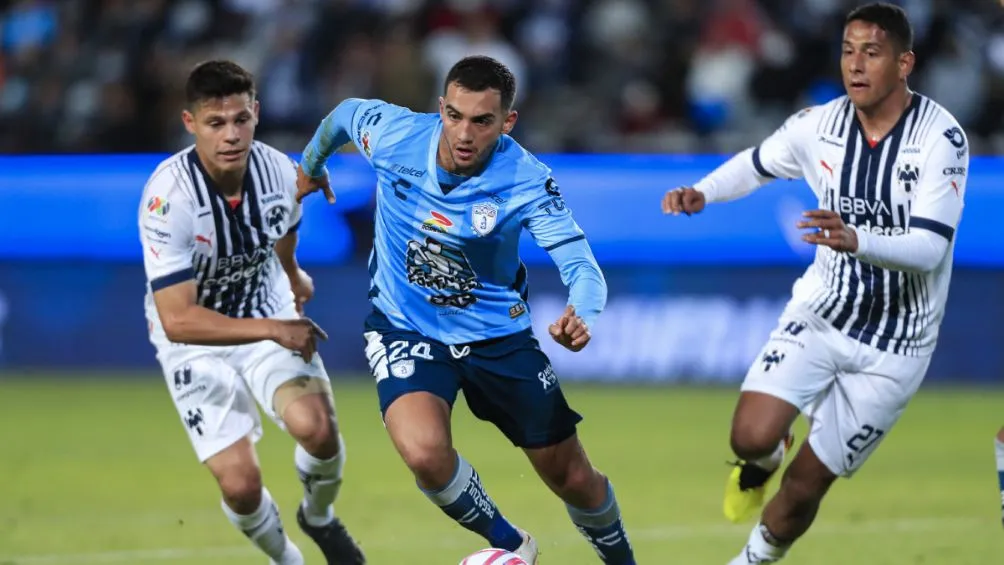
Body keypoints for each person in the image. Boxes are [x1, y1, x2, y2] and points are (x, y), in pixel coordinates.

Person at [294, 55, 637, 565]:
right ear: (441, 108)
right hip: (404, 326)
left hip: (498, 337)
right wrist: (310, 166)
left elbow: (581, 264)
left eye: (482, 121)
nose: (464, 133)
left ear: (507, 123)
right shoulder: (395, 136)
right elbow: (344, 113)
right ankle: (512, 545)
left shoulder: (525, 179)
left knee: (573, 478)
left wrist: (582, 312)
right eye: (454, 115)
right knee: (425, 455)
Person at [661, 3, 968, 563]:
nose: (856, 64)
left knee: (805, 486)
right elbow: (756, 163)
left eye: (871, 52)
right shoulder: (818, 125)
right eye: (848, 50)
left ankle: (750, 560)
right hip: (824, 311)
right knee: (748, 438)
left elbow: (930, 250)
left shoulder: (940, 138)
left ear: (905, 64)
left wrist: (857, 239)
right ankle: (769, 450)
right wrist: (703, 192)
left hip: (896, 346)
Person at [138, 60, 365, 565]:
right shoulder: (167, 198)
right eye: (216, 123)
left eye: (241, 119)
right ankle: (288, 559)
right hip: (193, 340)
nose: (231, 134)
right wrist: (275, 328)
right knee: (241, 485)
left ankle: (319, 517)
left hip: (265, 306)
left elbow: (283, 226)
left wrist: (292, 274)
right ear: (190, 123)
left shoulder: (279, 171)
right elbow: (178, 318)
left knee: (319, 431)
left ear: (256, 114)